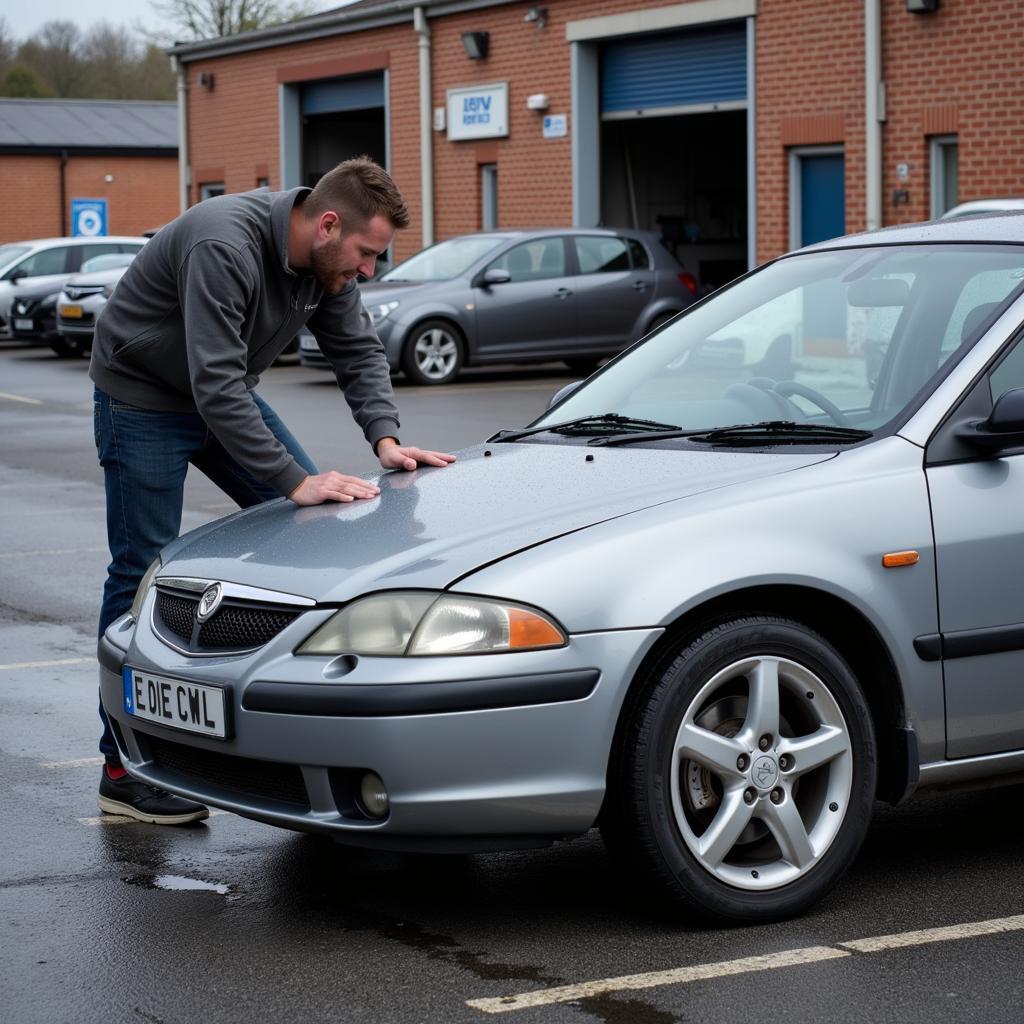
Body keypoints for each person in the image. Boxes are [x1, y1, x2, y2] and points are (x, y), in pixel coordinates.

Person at [89, 156, 455, 824]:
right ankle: (123, 768)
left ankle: (278, 734)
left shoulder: (327, 263)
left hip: (218, 397)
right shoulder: (224, 243)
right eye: (367, 253)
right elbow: (216, 383)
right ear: (328, 223)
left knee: (313, 530)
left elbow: (357, 351)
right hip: (142, 399)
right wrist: (295, 479)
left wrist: (386, 439)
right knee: (139, 566)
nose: (368, 270)